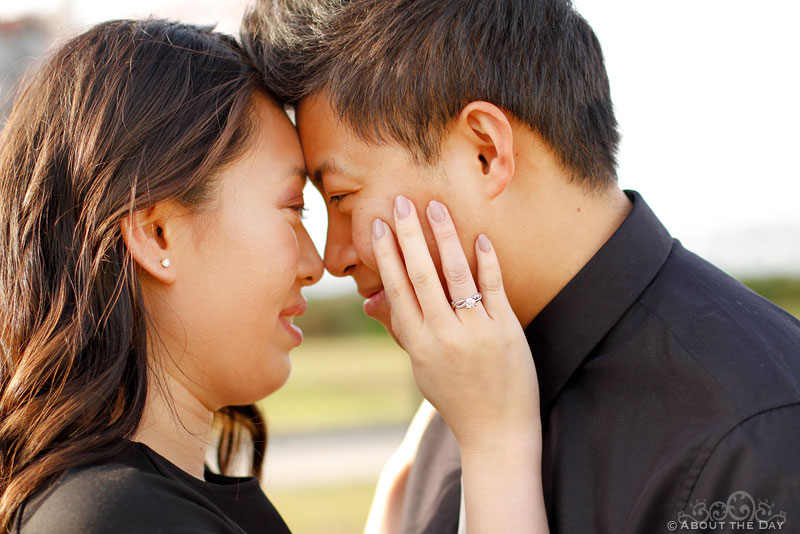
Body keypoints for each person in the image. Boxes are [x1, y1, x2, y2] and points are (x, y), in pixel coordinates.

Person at [242, 0, 800, 532]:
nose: (334, 257)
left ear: (486, 152)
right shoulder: (456, 395)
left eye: (339, 197)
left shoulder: (755, 432)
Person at [0, 19, 548, 534]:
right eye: (295, 208)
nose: (318, 265)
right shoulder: (119, 518)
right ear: (157, 233)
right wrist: (496, 445)